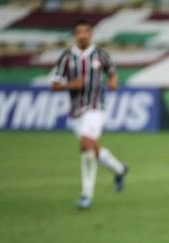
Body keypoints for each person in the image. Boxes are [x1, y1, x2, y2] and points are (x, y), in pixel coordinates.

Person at [50, 19, 128, 209]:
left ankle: (86, 195)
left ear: (91, 34)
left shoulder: (100, 55)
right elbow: (54, 84)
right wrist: (71, 85)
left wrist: (113, 83)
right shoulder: (67, 57)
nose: (83, 35)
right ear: (75, 35)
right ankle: (119, 169)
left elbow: (112, 72)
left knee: (85, 145)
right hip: (76, 111)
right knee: (91, 148)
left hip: (95, 107)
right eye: (79, 32)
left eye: (86, 31)